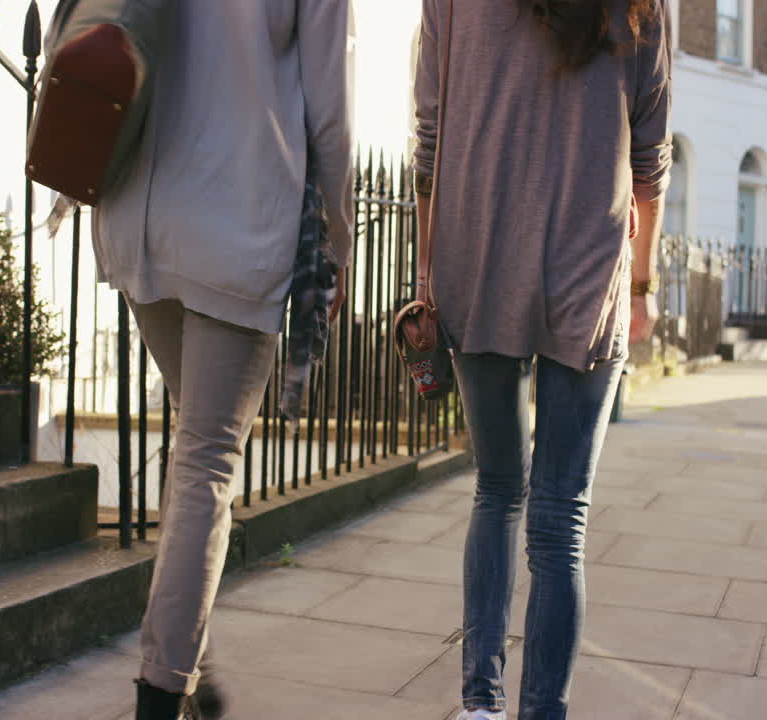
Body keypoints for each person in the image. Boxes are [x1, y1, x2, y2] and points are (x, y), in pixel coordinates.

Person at [91, 3, 354, 718]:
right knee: (208, 457)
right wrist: (339, 237)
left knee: (195, 445)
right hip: (238, 219)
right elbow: (328, 109)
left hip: (136, 212)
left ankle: (195, 671)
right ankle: (162, 692)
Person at [412, 1, 672, 718]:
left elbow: (429, 144)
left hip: (479, 266)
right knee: (559, 521)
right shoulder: (640, 7)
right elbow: (649, 160)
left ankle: (480, 704)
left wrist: (424, 278)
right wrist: (643, 284)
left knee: (497, 492)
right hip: (590, 281)